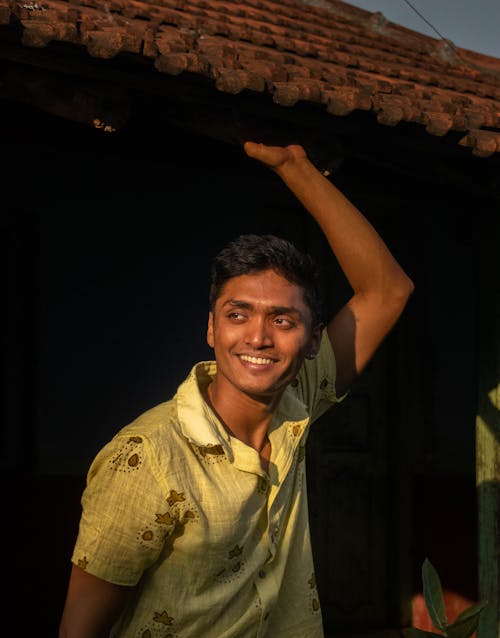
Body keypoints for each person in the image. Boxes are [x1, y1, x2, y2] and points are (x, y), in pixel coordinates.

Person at [59, 142, 414, 638]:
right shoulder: (147, 457)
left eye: (283, 319)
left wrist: (296, 168)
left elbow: (387, 290)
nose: (258, 338)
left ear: (313, 341)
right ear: (212, 328)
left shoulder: (298, 401)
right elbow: (79, 630)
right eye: (238, 314)